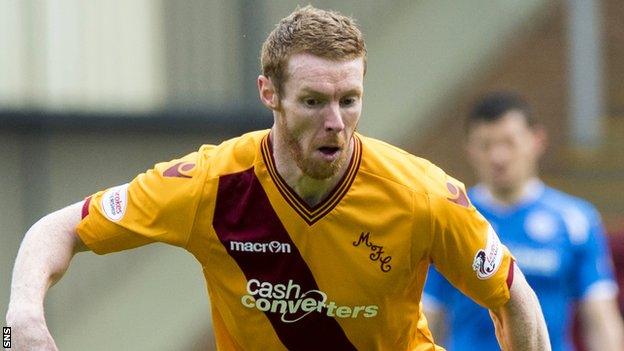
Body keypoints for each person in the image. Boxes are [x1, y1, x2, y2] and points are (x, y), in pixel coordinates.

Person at [5, 7, 550, 350]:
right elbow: (58, 228)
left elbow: (512, 297)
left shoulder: (422, 196)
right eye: (313, 101)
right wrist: (20, 317)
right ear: (270, 94)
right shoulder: (209, 184)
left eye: (349, 100)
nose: (335, 121)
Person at [423, 92, 624, 351]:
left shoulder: (576, 221)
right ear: (470, 150)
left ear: (536, 141)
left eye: (509, 143)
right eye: (486, 145)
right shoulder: (449, 219)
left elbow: (600, 318)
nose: (498, 157)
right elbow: (428, 316)